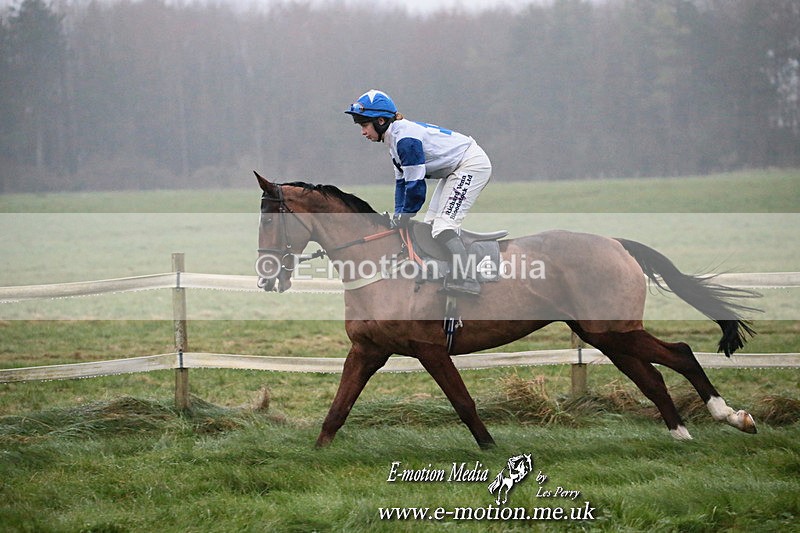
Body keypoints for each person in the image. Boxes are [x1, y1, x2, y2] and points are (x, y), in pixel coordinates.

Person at [345, 89, 492, 296]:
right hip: (455, 169)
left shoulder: (405, 141)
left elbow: (416, 187)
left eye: (364, 125)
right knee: (431, 225)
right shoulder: (394, 140)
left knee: (443, 226)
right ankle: (446, 273)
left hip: (470, 165)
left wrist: (405, 215)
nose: (362, 132)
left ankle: (468, 279)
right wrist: (399, 213)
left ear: (380, 121)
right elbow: (401, 183)